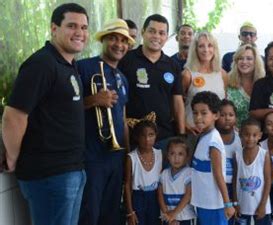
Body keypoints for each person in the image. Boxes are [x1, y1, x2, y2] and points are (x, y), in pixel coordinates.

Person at [2, 3, 88, 225]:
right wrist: (12, 157)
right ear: (54, 28)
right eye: (72, 25)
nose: (79, 32)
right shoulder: (41, 64)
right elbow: (14, 115)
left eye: (84, 27)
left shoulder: (68, 65)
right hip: (50, 175)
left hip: (71, 171)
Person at [77, 18, 134, 225]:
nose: (119, 45)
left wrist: (126, 154)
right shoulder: (83, 67)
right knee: (89, 213)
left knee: (110, 214)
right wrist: (93, 100)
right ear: (103, 40)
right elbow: (63, 109)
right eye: (113, 38)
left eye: (123, 41)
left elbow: (122, 118)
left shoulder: (122, 77)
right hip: (92, 157)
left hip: (116, 157)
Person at [118, 14, 186, 149]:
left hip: (165, 137)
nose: (156, 36)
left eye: (162, 33)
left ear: (167, 37)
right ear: (143, 32)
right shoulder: (126, 61)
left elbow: (177, 102)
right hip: (133, 138)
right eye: (152, 31)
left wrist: (182, 134)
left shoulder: (172, 65)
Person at [190, 91, 235, 225]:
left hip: (213, 205)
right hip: (202, 201)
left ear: (215, 115)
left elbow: (218, 174)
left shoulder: (213, 142)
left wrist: (227, 203)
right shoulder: (203, 136)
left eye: (204, 113)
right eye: (195, 113)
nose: (198, 117)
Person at [182, 31, 228, 135]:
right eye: (201, 46)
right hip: (193, 131)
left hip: (217, 132)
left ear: (215, 49)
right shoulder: (187, 74)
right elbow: (177, 103)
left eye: (210, 45)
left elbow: (224, 102)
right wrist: (185, 124)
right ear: (195, 50)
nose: (206, 50)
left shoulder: (222, 74)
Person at [124, 116, 163, 225]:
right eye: (143, 135)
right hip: (138, 199)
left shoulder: (160, 154)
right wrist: (130, 212)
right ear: (136, 137)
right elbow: (127, 185)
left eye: (151, 135)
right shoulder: (131, 158)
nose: (147, 139)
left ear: (156, 136)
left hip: (155, 198)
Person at [233, 118, 272, 225]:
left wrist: (263, 205)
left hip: (261, 205)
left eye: (254, 135)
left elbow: (268, 181)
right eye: (246, 134)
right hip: (242, 205)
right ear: (240, 134)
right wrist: (235, 202)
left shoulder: (264, 155)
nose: (250, 138)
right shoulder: (237, 155)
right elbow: (235, 180)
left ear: (260, 135)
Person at [158, 137, 196, 225]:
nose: (176, 158)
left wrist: (174, 214)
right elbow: (160, 195)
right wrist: (167, 215)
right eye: (172, 154)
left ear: (187, 157)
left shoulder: (189, 173)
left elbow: (188, 195)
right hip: (167, 217)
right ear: (167, 156)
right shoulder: (164, 174)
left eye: (180, 154)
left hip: (185, 217)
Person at [227, 44, 265, 127]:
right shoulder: (227, 83)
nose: (244, 62)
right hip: (234, 135)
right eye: (241, 58)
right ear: (236, 62)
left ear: (256, 62)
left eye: (249, 58)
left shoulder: (264, 84)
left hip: (259, 135)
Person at [216, 99, 242, 224]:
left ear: (236, 118)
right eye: (222, 115)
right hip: (215, 187)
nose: (227, 118)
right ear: (215, 116)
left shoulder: (240, 139)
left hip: (233, 188)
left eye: (231, 115)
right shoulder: (211, 137)